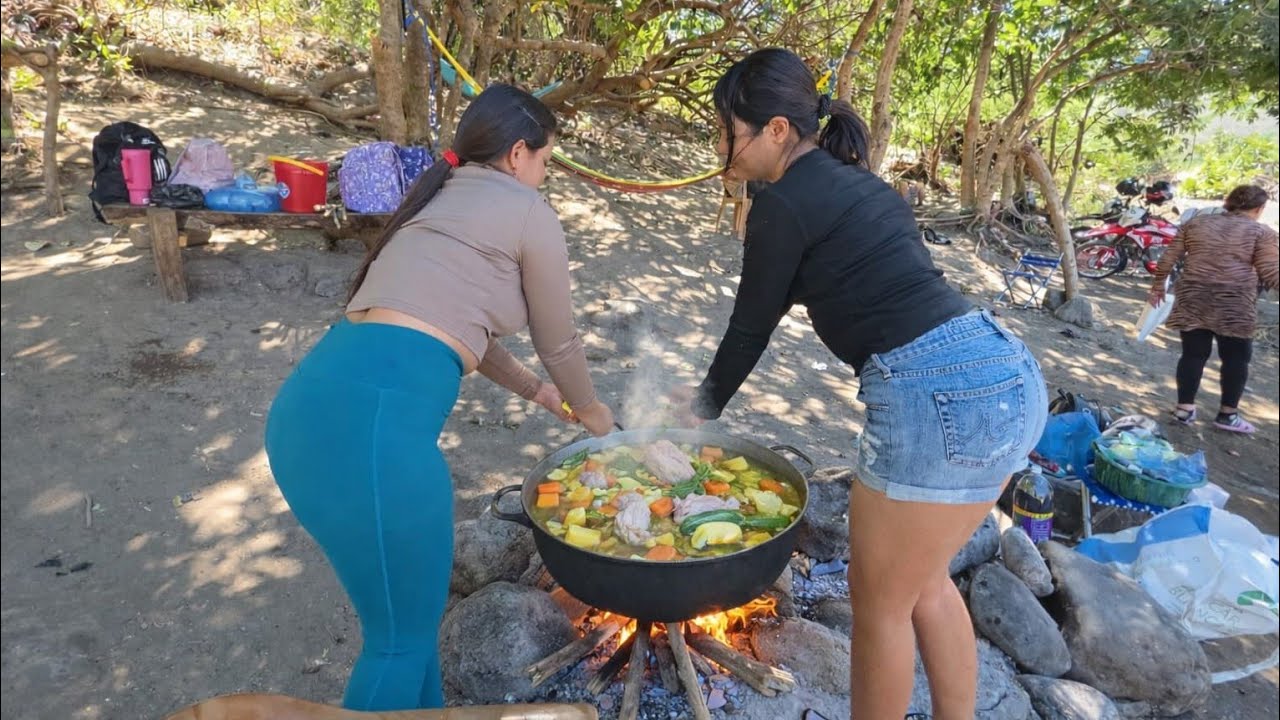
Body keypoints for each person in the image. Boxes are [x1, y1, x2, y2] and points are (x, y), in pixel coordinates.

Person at [672, 48, 1047, 720]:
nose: (722, 146)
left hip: (932, 396)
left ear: (777, 130)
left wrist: (698, 408)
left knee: (879, 606)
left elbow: (749, 328)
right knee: (927, 583)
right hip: (1006, 373)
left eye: (729, 131)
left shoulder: (784, 205)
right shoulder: (862, 186)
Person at [264, 85, 615, 711]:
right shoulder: (528, 212)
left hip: (306, 417)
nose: (545, 176)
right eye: (546, 161)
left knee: (408, 630)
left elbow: (460, 332)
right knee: (397, 646)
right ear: (517, 155)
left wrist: (537, 394)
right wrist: (591, 412)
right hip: (376, 443)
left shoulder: (434, 202)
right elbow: (559, 342)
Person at [1150, 184, 1278, 434]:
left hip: (1193, 295)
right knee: (1236, 358)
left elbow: (1167, 258)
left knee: (1193, 354)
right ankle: (1228, 415)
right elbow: (1271, 272)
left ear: (1228, 202)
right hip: (1234, 302)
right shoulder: (1261, 232)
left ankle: (1184, 409)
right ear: (1260, 208)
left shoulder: (1197, 224)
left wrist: (1157, 287)